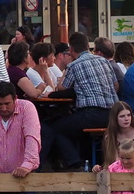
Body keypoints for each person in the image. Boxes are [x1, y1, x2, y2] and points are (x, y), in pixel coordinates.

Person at [51, 33, 120, 170]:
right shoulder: (104, 61)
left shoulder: (74, 65)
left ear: (71, 49)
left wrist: (68, 67)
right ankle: (89, 159)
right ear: (88, 46)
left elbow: (61, 88)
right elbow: (116, 86)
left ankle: (75, 162)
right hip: (113, 114)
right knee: (77, 126)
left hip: (91, 113)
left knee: (56, 128)